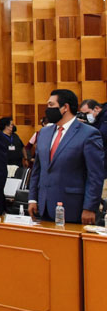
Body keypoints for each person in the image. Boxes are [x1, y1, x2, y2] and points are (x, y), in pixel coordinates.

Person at [28, 89, 105, 224]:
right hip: (43, 207)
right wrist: (32, 199)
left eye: (51, 105)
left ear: (65, 107)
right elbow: (37, 170)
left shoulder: (89, 134)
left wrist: (90, 207)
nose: (47, 109)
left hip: (73, 208)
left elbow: (95, 175)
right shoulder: (44, 133)